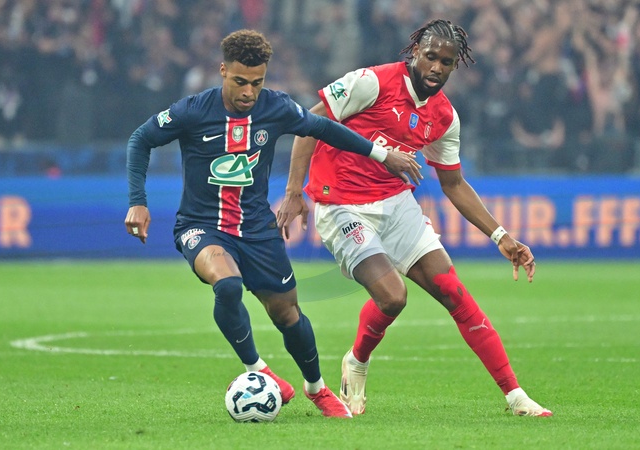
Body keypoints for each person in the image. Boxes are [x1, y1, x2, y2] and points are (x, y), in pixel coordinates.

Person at [123, 29, 421, 419]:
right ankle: (259, 371)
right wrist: (137, 202)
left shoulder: (276, 107)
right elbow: (140, 139)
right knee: (227, 284)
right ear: (223, 71)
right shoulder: (192, 110)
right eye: (240, 81)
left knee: (287, 314)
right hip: (201, 225)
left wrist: (382, 154)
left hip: (257, 229)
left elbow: (324, 128)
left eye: (257, 82)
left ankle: (316, 389)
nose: (249, 92)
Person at [277, 19, 553, 417]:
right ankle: (358, 360)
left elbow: (454, 183)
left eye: (446, 62)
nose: (436, 67)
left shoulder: (444, 117)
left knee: (453, 291)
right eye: (430, 57)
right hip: (341, 203)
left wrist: (501, 236)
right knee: (393, 297)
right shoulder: (372, 82)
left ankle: (515, 396)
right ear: (415, 53)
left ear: (455, 66)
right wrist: (293, 191)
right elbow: (308, 124)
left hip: (395, 203)